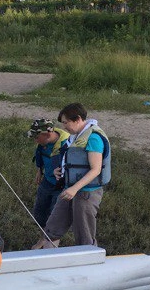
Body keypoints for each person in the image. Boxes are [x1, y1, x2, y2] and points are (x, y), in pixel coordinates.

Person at [33, 103, 110, 248]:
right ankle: (46, 257)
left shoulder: (93, 138)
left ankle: (88, 258)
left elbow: (95, 169)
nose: (64, 127)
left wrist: (74, 189)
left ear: (78, 119)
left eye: (66, 123)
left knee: (83, 233)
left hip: (85, 193)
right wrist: (59, 171)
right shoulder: (75, 137)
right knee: (52, 227)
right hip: (69, 190)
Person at [27, 118, 70, 229]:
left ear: (47, 134)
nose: (36, 141)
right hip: (46, 181)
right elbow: (40, 156)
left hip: (60, 186)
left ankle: (48, 239)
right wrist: (39, 170)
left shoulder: (67, 144)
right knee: (39, 211)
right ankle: (43, 234)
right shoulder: (43, 142)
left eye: (37, 137)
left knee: (54, 215)